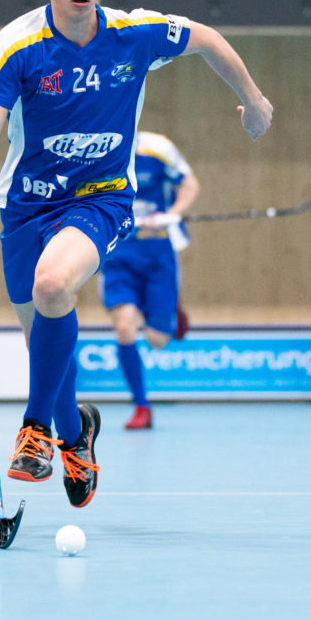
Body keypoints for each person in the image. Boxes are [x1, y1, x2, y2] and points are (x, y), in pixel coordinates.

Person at [0, 0, 272, 509]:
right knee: (45, 334)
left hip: (101, 199)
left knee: (54, 285)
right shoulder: (17, 46)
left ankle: (37, 430)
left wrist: (253, 102)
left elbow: (207, 38)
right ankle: (79, 433)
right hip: (24, 210)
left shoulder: (135, 33)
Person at [98, 130, 199, 430]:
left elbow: (191, 185)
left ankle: (170, 308)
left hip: (157, 255)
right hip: (118, 256)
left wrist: (171, 214)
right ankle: (142, 406)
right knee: (125, 327)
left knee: (157, 339)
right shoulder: (100, 146)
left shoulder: (159, 148)